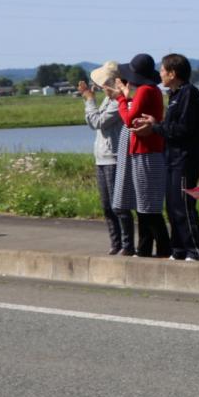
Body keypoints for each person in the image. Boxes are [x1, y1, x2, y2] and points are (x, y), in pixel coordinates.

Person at [130, 54, 199, 261]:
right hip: (172, 158)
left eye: (162, 70)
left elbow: (183, 129)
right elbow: (172, 126)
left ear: (172, 73)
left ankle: (195, 251)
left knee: (183, 206)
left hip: (185, 159)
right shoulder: (176, 94)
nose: (160, 74)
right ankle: (178, 250)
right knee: (172, 206)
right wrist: (156, 123)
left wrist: (155, 127)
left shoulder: (188, 93)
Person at [112, 53, 169, 258]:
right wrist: (127, 97)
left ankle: (163, 248)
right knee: (144, 204)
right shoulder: (152, 90)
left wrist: (120, 98)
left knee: (147, 205)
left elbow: (129, 119)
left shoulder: (145, 90)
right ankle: (145, 249)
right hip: (146, 150)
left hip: (146, 151)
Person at [80, 61, 127, 255]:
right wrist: (91, 100)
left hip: (113, 158)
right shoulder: (108, 100)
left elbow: (97, 122)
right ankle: (116, 243)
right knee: (107, 206)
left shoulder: (117, 101)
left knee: (118, 206)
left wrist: (89, 100)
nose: (100, 86)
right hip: (101, 158)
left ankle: (126, 244)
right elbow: (94, 120)